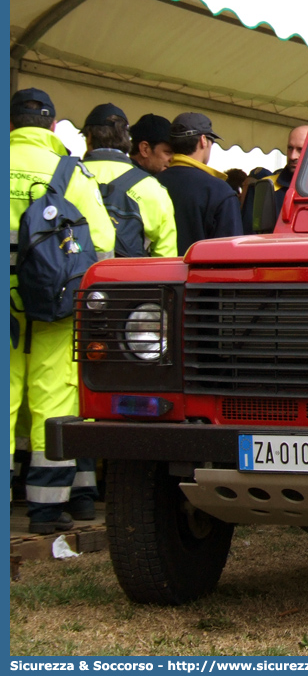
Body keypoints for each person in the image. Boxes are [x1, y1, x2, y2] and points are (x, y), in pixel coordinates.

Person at [9, 88, 116, 534]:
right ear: (53, 127)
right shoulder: (68, 171)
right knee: (54, 397)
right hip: (53, 304)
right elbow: (104, 241)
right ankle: (47, 510)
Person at [80, 103, 177, 258]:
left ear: (89, 137)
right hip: (128, 280)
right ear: (126, 138)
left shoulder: (64, 177)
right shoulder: (154, 189)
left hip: (71, 279)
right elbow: (165, 259)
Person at [155, 112, 243, 255]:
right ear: (203, 140)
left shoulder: (150, 184)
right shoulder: (220, 192)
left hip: (155, 275)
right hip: (200, 276)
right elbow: (231, 255)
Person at [241, 125, 307, 232]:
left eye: (300, 149)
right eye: (290, 148)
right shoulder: (263, 188)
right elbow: (248, 237)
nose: (292, 156)